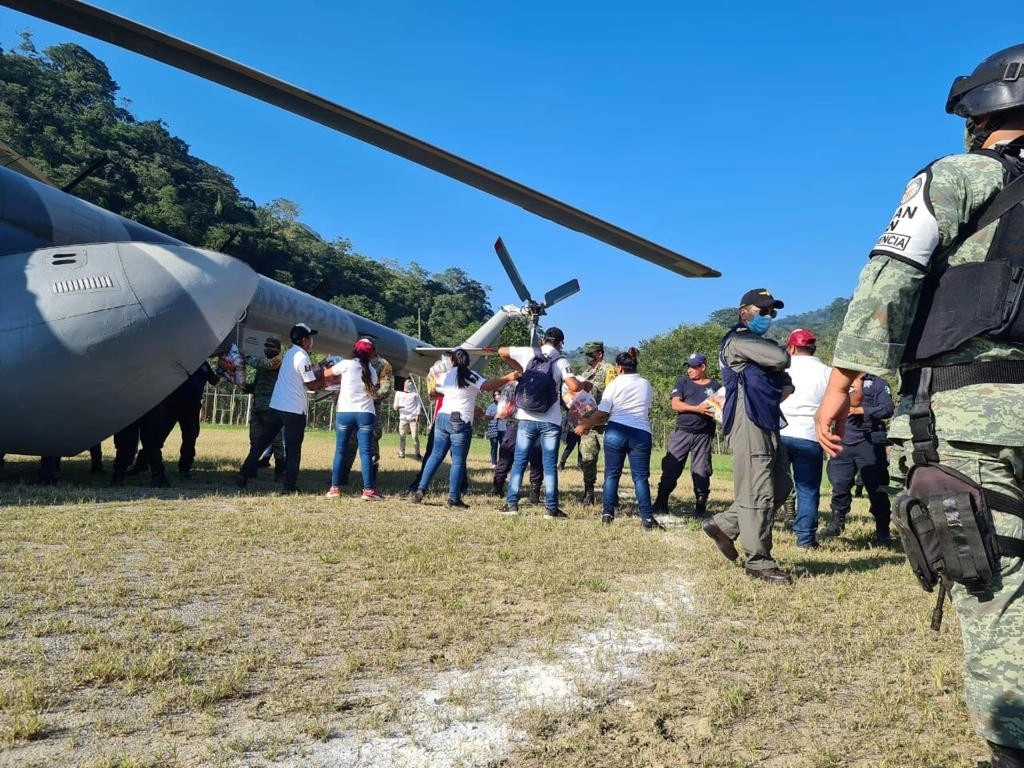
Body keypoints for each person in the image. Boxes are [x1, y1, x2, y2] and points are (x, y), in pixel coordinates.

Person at [814, 45, 1024, 766]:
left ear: (979, 113)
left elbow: (893, 275)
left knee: (994, 588)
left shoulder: (956, 176)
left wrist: (843, 383)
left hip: (973, 423)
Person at [702, 289, 794, 584]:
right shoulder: (739, 340)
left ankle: (724, 525)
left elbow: (785, 382)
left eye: (772, 312)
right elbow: (781, 358)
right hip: (748, 421)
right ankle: (759, 561)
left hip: (766, 421)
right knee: (758, 492)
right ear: (745, 313)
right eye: (763, 311)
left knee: (780, 486)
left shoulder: (754, 344)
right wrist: (778, 365)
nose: (768, 316)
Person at [412, 349, 519, 507]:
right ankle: (453, 498)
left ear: (453, 362)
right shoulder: (470, 374)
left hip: (442, 417)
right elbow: (488, 386)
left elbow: (434, 391)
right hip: (459, 420)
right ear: (468, 362)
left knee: (435, 455)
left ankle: (421, 489)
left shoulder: (445, 375)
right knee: (458, 461)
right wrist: (508, 377)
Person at [498, 327, 582, 517]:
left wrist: (520, 369)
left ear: (543, 340)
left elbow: (501, 351)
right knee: (550, 464)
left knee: (519, 461)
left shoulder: (529, 353)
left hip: (526, 417)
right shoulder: (561, 361)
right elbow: (574, 386)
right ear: (561, 343)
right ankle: (551, 508)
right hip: (550, 420)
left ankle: (512, 504)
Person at [575, 348, 663, 529]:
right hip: (640, 432)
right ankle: (646, 518)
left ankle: (607, 514)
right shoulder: (646, 384)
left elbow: (602, 412)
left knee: (611, 474)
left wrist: (585, 425)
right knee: (640, 478)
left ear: (619, 367)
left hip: (616, 431)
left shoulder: (614, 385)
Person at [236, 322, 324, 493]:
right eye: (309, 338)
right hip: (294, 408)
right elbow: (311, 384)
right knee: (293, 448)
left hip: (276, 405)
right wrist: (324, 379)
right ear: (304, 339)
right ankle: (289, 486)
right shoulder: (302, 356)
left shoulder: (289, 353)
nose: (311, 341)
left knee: (261, 442)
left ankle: (244, 473)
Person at [819, 372, 894, 542]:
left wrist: (862, 410)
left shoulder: (877, 383)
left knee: (876, 488)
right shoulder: (838, 379)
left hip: (868, 443)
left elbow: (888, 408)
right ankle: (837, 522)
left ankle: (882, 529)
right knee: (839, 484)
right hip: (842, 441)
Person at [778, 329, 831, 548]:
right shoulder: (827, 371)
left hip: (779, 433)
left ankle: (760, 530)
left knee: (772, 485)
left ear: (790, 347)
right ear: (813, 348)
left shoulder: (781, 368)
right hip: (810, 435)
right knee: (807, 490)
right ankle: (805, 539)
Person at [651, 352, 721, 518]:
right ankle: (661, 502)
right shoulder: (683, 382)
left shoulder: (716, 386)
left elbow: (721, 409)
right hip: (682, 432)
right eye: (688, 366)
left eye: (693, 367)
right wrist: (697, 409)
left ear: (702, 367)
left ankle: (700, 507)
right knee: (671, 467)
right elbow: (676, 404)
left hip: (703, 435)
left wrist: (716, 413)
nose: (689, 370)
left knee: (701, 470)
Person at [326, 338, 383, 501]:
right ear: (371, 352)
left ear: (355, 349)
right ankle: (368, 491)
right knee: (366, 452)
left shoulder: (346, 364)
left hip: (345, 411)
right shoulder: (371, 370)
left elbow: (326, 374)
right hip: (366, 413)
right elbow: (373, 390)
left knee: (340, 450)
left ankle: (334, 488)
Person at [576, 341, 616, 505]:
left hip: (606, 424)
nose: (587, 358)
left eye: (589, 354)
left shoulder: (609, 369)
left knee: (611, 462)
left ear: (599, 354)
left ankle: (611, 495)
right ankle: (589, 493)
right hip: (588, 425)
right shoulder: (585, 373)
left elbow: (613, 393)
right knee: (587, 460)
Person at [243, 337, 286, 480]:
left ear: (278, 349)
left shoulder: (278, 361)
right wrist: (245, 386)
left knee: (276, 441)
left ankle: (280, 471)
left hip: (272, 408)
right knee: (254, 440)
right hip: (258, 407)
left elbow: (264, 364)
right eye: (266, 346)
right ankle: (251, 469)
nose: (267, 349)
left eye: (271, 347)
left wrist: (246, 357)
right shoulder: (263, 364)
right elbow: (256, 384)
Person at [393, 379, 423, 460]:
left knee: (415, 437)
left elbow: (418, 405)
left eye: (410, 382)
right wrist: (398, 407)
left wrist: (418, 414)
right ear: (404, 384)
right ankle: (401, 453)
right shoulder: (398, 393)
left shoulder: (415, 393)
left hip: (413, 419)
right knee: (402, 437)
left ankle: (417, 453)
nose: (410, 384)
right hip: (403, 418)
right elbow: (395, 406)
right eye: (407, 382)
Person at [483, 391, 505, 467]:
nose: (497, 396)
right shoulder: (490, 406)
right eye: (495, 395)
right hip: (493, 429)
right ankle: (494, 463)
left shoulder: (504, 406)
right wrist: (495, 416)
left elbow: (508, 415)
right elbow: (486, 417)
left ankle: (502, 462)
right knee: (494, 446)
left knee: (504, 447)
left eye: (499, 394)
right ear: (493, 397)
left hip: (503, 429)